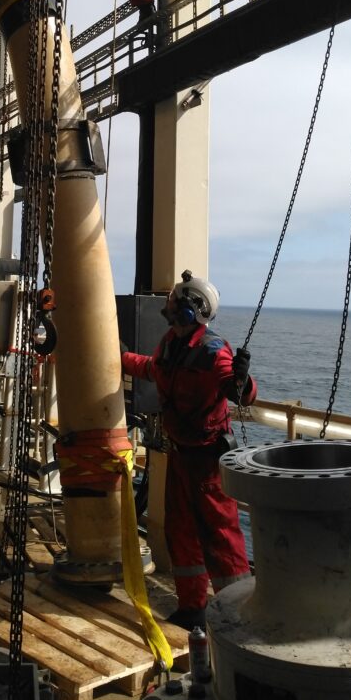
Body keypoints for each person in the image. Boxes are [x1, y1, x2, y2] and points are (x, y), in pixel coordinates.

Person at [121, 269, 256, 631]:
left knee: (221, 536)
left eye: (173, 299)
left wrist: (245, 381)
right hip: (181, 454)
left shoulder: (214, 350)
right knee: (179, 531)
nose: (167, 303)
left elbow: (236, 389)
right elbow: (154, 370)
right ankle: (192, 607)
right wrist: (122, 359)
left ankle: (239, 613)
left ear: (187, 309)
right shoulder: (170, 343)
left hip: (208, 461)